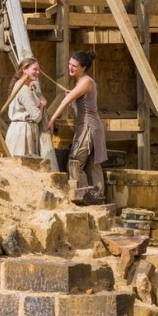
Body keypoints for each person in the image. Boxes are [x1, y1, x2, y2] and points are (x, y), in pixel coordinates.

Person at [48, 51, 107, 203]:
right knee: (92, 165)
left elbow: (66, 101)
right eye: (70, 64)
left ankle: (86, 198)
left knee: (75, 162)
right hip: (92, 126)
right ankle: (97, 197)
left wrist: (52, 119)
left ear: (83, 67)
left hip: (88, 126)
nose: (70, 67)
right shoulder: (83, 83)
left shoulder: (86, 82)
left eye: (74, 66)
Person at [5, 57, 47, 157]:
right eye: (35, 69)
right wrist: (42, 105)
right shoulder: (23, 90)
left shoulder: (24, 86)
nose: (37, 72)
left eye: (38, 70)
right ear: (24, 70)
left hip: (20, 129)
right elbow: (36, 116)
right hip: (22, 132)